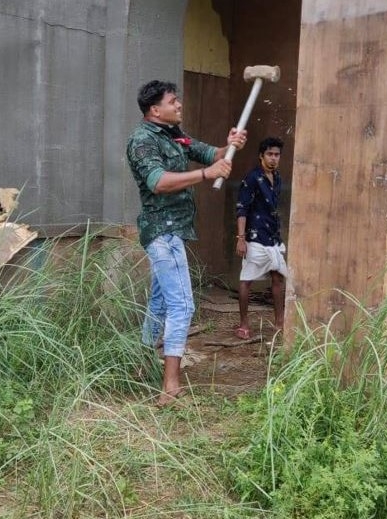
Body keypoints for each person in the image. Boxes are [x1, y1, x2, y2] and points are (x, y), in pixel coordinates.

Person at [126, 80, 247, 407]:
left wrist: (230, 145)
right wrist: (207, 174)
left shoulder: (174, 134)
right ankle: (171, 388)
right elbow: (159, 182)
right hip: (162, 232)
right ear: (155, 109)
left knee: (161, 302)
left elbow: (211, 154)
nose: (179, 105)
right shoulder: (142, 141)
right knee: (183, 305)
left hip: (173, 229)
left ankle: (140, 365)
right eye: (173, 101)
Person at [234, 137, 289, 338]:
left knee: (277, 277)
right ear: (261, 156)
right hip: (255, 236)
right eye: (270, 154)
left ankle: (280, 322)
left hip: (273, 235)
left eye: (277, 155)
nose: (274, 158)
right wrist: (241, 238)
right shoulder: (252, 178)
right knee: (246, 279)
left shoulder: (278, 177)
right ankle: (243, 325)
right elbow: (242, 209)